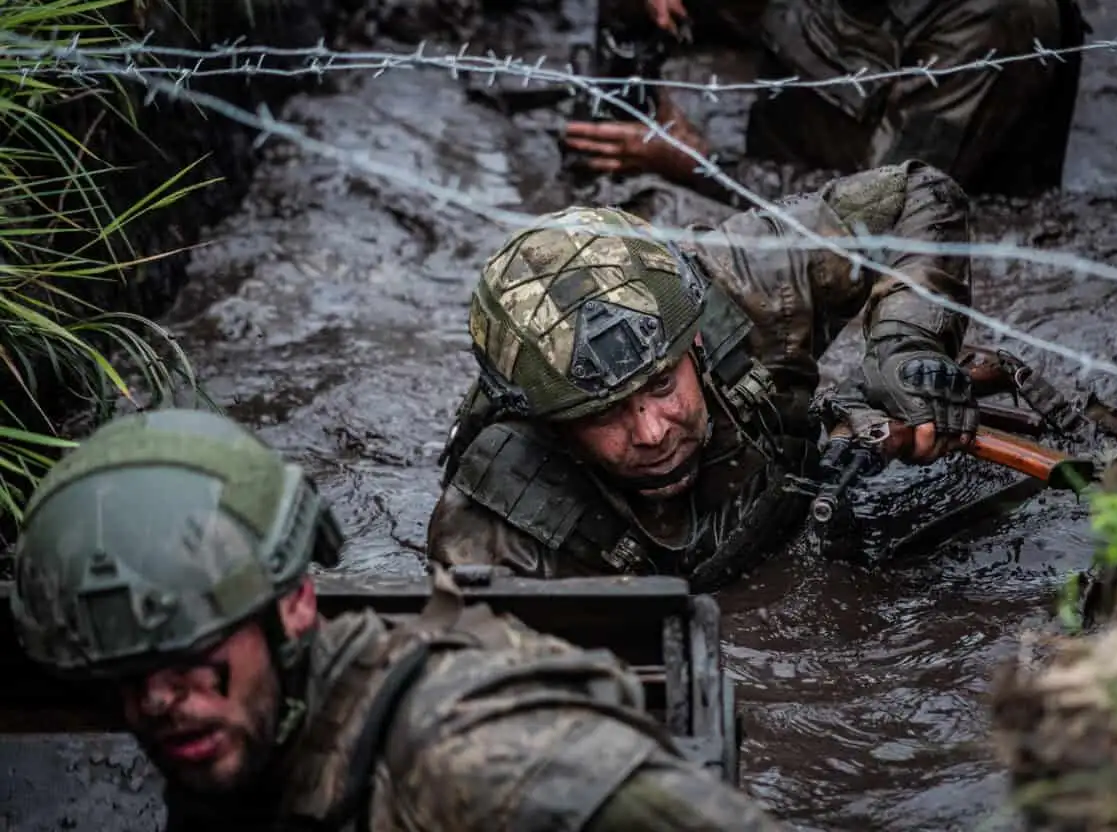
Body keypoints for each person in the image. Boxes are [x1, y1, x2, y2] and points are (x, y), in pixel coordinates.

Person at [8, 407, 790, 831]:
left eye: (187, 653)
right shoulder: (248, 731)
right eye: (123, 673)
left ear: (296, 604)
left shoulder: (478, 758)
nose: (157, 700)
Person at [427, 160, 979, 588]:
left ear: (694, 339)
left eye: (662, 384)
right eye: (602, 413)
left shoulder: (745, 282)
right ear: (548, 424)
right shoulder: (489, 531)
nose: (653, 432)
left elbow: (917, 192)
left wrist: (906, 347)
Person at [561, 0, 1088, 200]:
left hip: (910, 232)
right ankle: (614, 130)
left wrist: (701, 164)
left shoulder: (990, 18)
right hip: (790, 144)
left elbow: (885, 210)